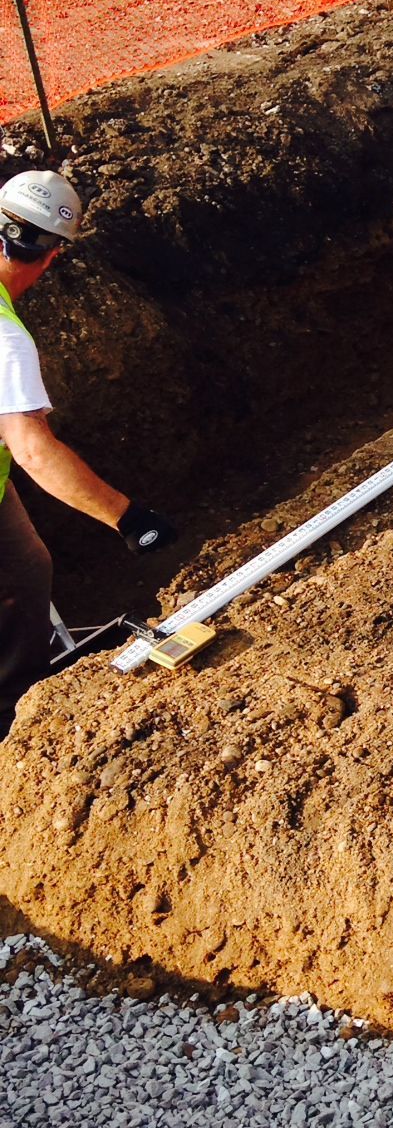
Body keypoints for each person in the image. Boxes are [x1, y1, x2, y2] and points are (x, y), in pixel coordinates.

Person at [0, 169, 175, 726]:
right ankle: (14, 721)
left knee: (25, 571)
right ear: (50, 256)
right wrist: (128, 517)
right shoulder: (5, 338)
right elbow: (31, 448)